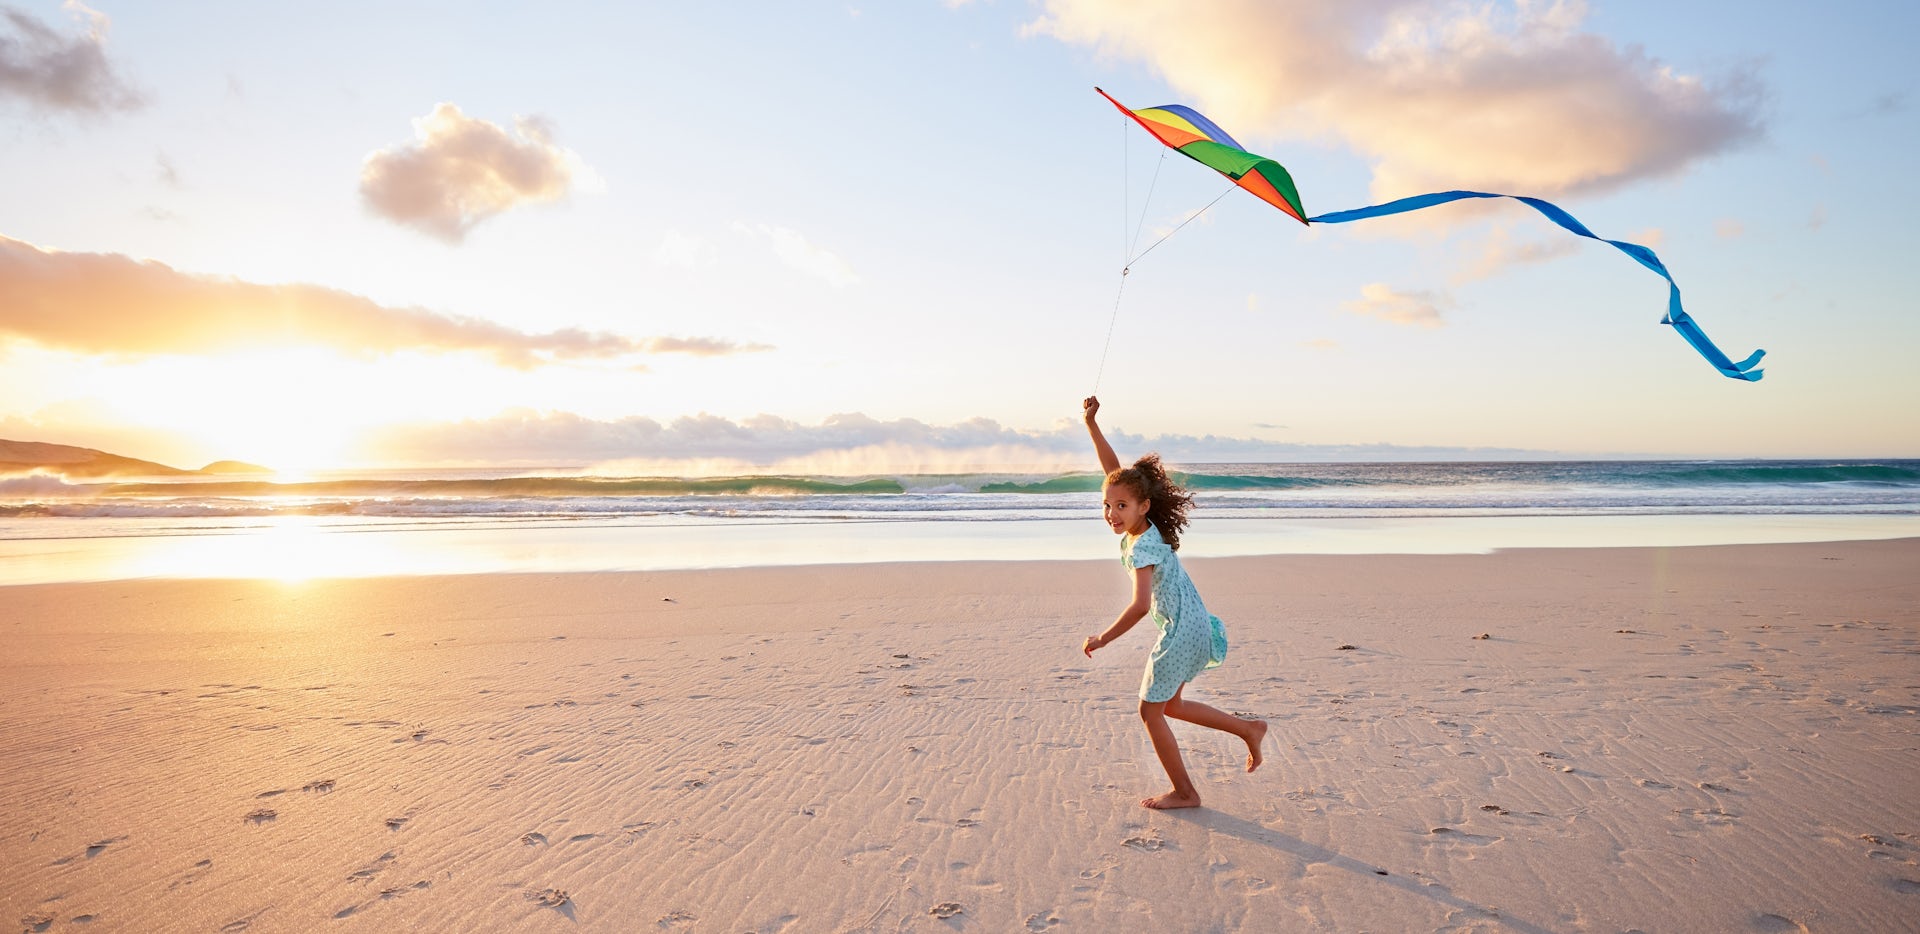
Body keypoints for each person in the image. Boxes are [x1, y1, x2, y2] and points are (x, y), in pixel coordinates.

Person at [1080, 396, 1267, 810]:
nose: (1112, 513)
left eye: (1120, 507)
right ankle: (1249, 729)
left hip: (1180, 633)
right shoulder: (1147, 525)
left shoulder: (1142, 547)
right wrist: (1092, 425)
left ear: (1143, 506)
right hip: (1196, 624)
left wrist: (1103, 638)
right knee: (1173, 705)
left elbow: (1141, 606)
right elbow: (1114, 473)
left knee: (1151, 713)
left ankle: (1186, 793)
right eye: (1107, 506)